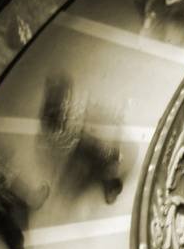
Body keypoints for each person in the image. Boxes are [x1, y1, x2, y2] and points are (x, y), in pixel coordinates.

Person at [41, 73, 125, 205]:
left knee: (91, 153)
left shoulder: (58, 123)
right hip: (77, 145)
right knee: (97, 155)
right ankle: (106, 180)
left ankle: (104, 178)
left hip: (78, 145)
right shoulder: (56, 127)